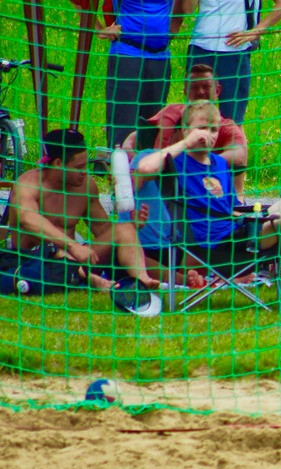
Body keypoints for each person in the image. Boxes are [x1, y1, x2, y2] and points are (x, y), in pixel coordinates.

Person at [135, 101, 281, 312]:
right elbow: (143, 168)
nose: (207, 134)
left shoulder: (219, 163)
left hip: (237, 230)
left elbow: (232, 208)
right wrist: (186, 143)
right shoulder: (176, 160)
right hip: (214, 245)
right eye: (200, 128)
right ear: (185, 130)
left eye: (213, 129)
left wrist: (255, 216)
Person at [8, 129, 158, 291]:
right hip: (37, 264)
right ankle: (91, 280)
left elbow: (105, 232)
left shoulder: (85, 186)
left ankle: (144, 279)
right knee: (55, 251)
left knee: (125, 230)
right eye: (79, 167)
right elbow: (27, 219)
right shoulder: (28, 185)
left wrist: (132, 225)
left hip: (78, 259)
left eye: (87, 165)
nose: (85, 172)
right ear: (58, 164)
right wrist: (73, 246)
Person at [121, 64, 250, 197]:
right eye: (194, 87)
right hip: (154, 179)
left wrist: (196, 165)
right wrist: (128, 165)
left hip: (195, 187)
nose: (200, 92)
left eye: (206, 86)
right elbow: (133, 138)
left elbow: (239, 155)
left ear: (217, 91)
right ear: (185, 91)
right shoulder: (170, 111)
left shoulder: (225, 125)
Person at [181, 0, 281, 125]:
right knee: (195, 117)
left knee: (232, 122)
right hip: (200, 49)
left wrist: (256, 31)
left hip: (233, 54)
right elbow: (187, 9)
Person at [99, 0, 186, 149]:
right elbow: (82, 3)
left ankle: (144, 168)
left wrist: (176, 22)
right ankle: (117, 168)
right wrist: (99, 30)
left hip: (160, 57)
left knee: (152, 125)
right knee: (123, 123)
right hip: (127, 54)